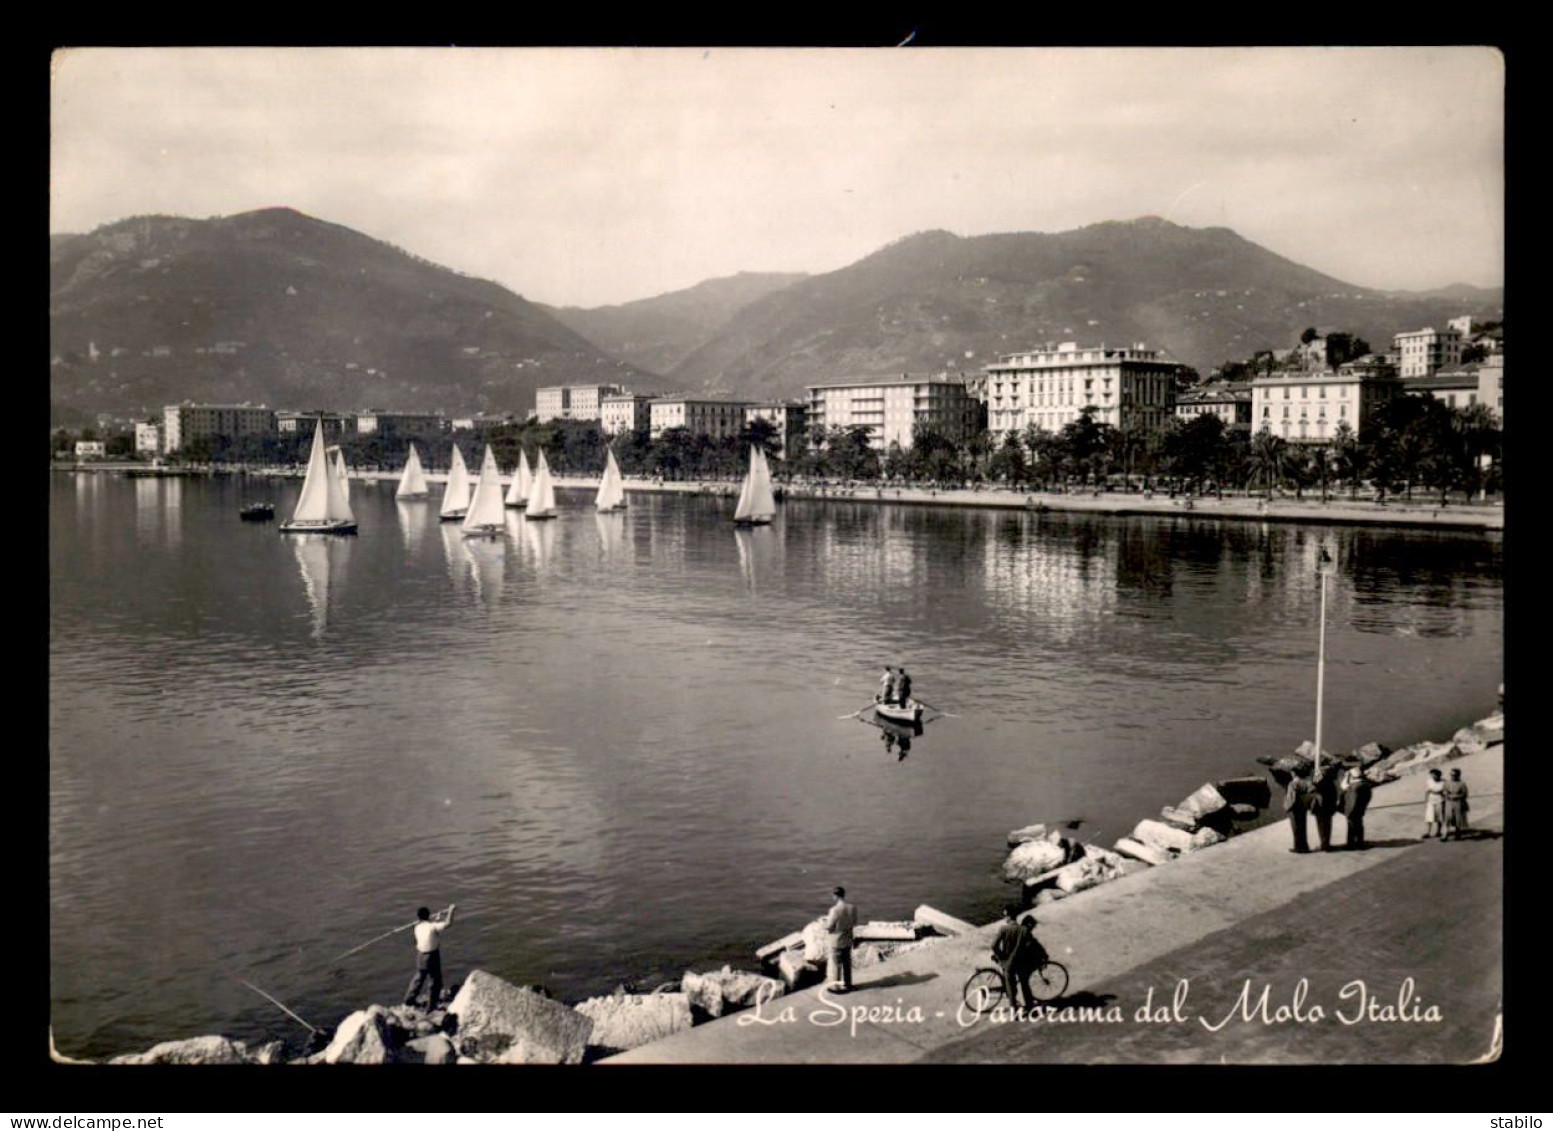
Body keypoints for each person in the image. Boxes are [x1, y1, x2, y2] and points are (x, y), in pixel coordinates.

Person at [403, 903, 457, 1011]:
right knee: (435, 981)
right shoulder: (432, 926)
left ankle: (409, 1000)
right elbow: (448, 923)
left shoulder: (417, 927)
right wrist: (451, 911)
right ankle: (431, 1006)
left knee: (419, 978)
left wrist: (436, 919)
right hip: (432, 956)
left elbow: (429, 929)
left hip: (420, 956)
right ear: (428, 916)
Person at [823, 887, 858, 993]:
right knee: (847, 963)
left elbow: (829, 927)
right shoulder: (852, 908)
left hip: (836, 941)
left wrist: (823, 923)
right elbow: (854, 922)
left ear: (836, 896)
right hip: (848, 940)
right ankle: (848, 985)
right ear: (843, 895)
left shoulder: (834, 910)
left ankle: (836, 987)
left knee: (836, 964)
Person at [1339, 762, 1374, 850]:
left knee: (1351, 827)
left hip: (1352, 810)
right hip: (1360, 808)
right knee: (1359, 825)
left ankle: (1351, 845)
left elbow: (1343, 787)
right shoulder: (1365, 784)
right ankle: (1359, 842)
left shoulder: (1353, 787)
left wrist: (1346, 776)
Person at [1311, 761, 1340, 851]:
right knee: (1327, 826)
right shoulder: (1331, 784)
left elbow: (1312, 790)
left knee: (1322, 827)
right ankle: (1326, 844)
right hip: (1329, 808)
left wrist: (1315, 779)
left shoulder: (1322, 783)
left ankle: (1324, 845)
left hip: (1321, 809)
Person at [1283, 769, 1314, 853]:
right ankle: (1304, 846)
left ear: (1294, 773)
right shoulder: (1305, 782)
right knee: (1303, 827)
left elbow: (1291, 798)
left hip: (1295, 808)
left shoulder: (1292, 783)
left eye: (1292, 772)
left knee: (1296, 828)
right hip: (1303, 806)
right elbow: (1311, 791)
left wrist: (1287, 807)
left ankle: (1298, 847)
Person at [1441, 768, 1470, 841]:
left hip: (1458, 803)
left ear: (1458, 775)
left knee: (1458, 819)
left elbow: (1465, 794)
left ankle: (1458, 834)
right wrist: (1446, 794)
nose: (1452, 776)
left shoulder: (1462, 784)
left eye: (1454, 775)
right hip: (1449, 803)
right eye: (1451, 775)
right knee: (1447, 819)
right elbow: (1444, 791)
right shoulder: (1447, 783)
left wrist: (1456, 796)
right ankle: (1445, 835)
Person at [1422, 768, 1446, 839]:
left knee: (1439, 816)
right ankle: (1428, 832)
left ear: (1438, 775)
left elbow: (1445, 792)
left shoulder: (1444, 782)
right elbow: (1427, 791)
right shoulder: (1429, 781)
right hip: (1431, 799)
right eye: (1431, 775)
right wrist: (1426, 802)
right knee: (1429, 816)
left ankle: (1438, 831)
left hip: (1440, 799)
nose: (1432, 776)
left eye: (1434, 775)